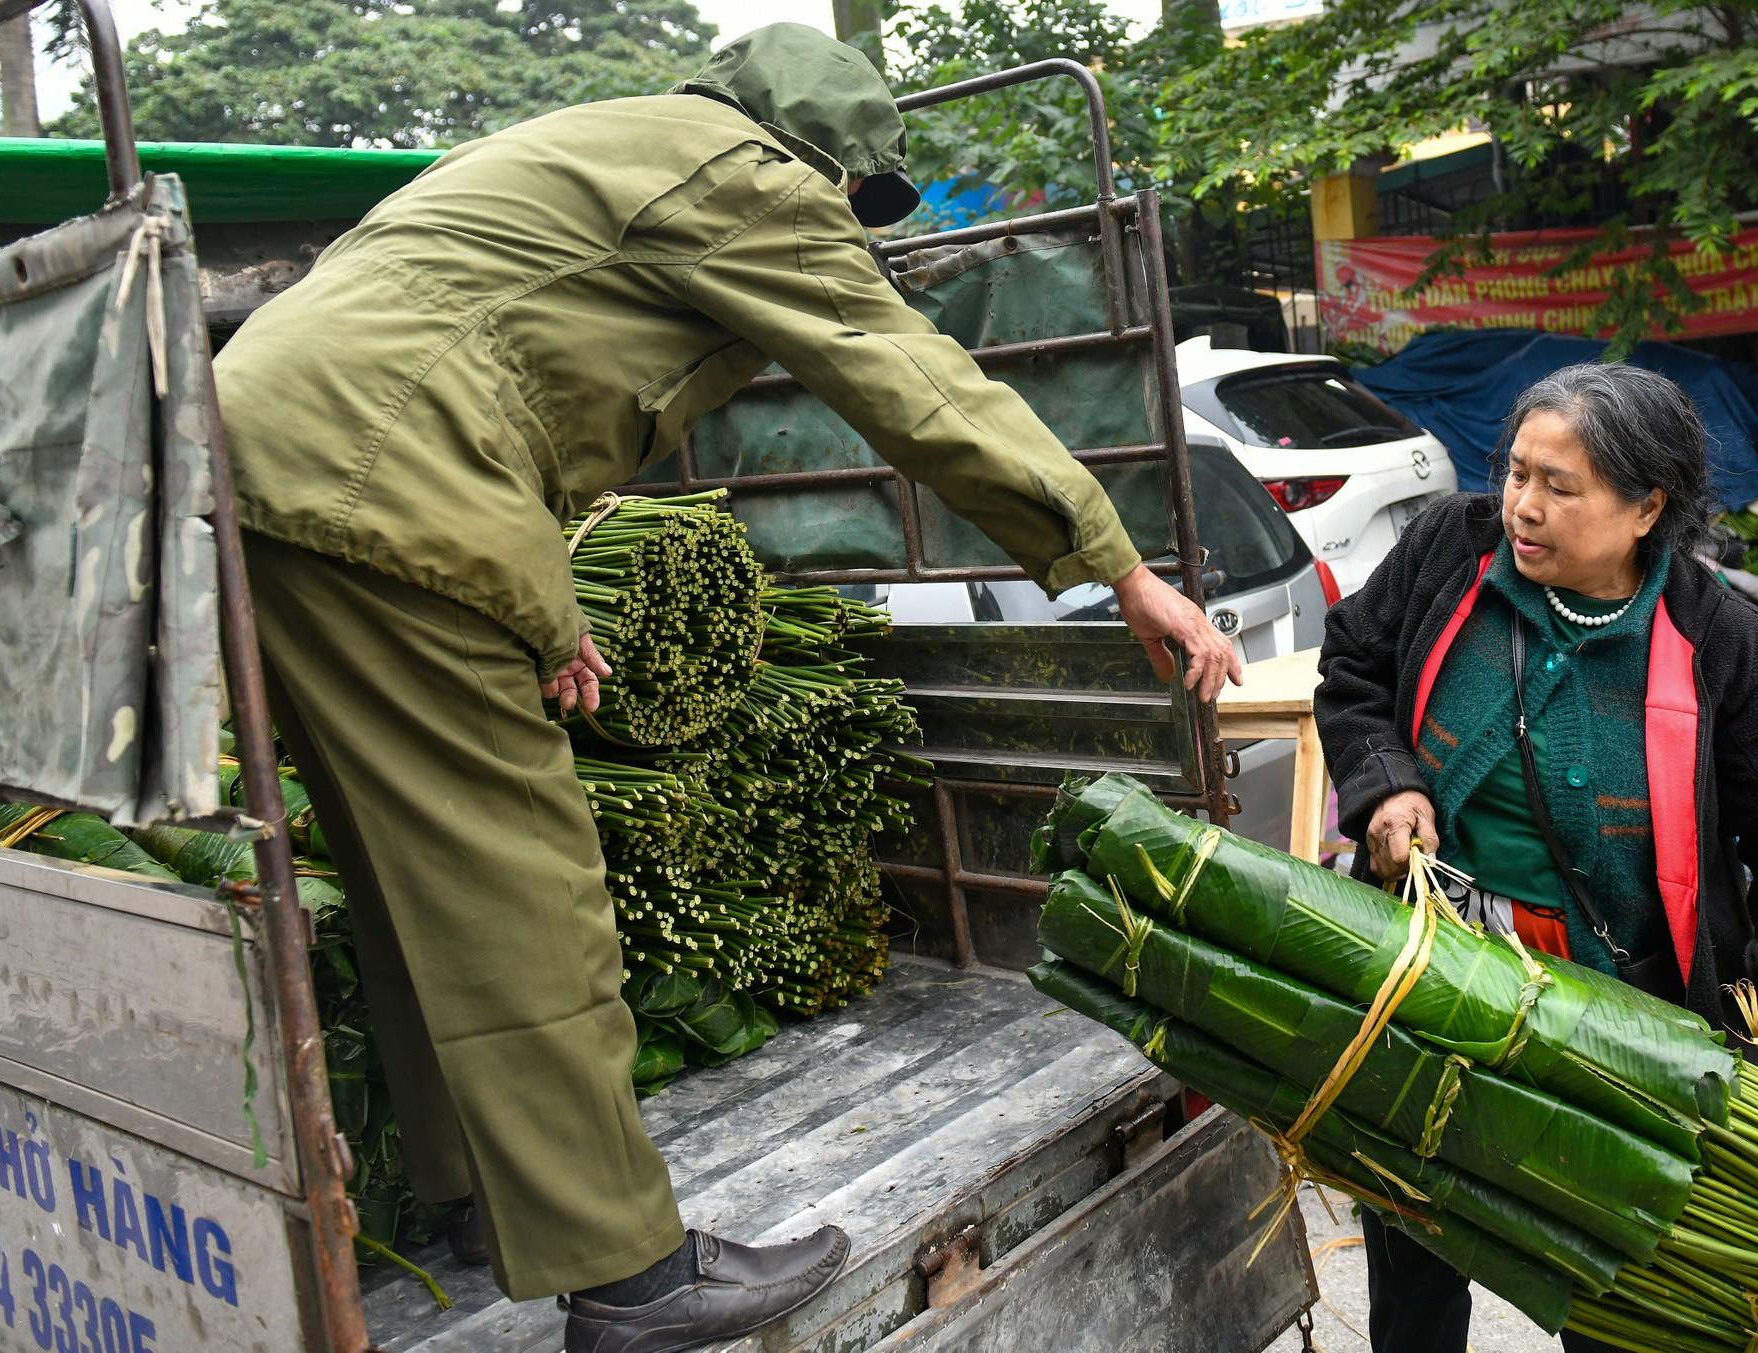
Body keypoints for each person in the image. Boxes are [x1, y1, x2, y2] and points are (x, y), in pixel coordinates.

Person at [211, 24, 1240, 1353]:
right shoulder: (740, 172)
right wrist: (1117, 564)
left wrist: (536, 593)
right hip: (385, 475)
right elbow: (913, 382)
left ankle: (480, 1194)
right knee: (523, 875)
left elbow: (486, 372)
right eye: (857, 204)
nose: (848, 230)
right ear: (822, 156)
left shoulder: (600, 147)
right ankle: (631, 1273)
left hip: (282, 471)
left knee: (422, 871)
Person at [1313, 363, 1758, 1353]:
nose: (1521, 505)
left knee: (1610, 1279)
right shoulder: (1447, 552)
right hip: (1425, 979)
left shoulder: (1725, 641)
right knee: (1412, 1243)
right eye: (1516, 472)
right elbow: (1351, 663)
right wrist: (1385, 782)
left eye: (1558, 487)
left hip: (1622, 1019)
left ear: (1646, 506)